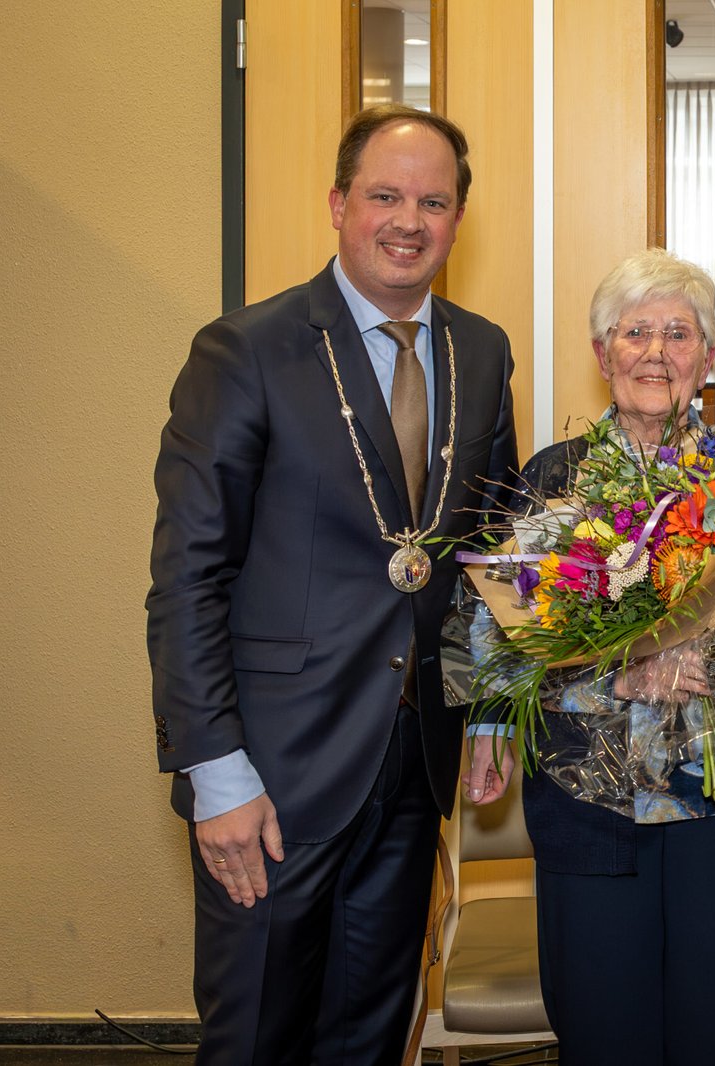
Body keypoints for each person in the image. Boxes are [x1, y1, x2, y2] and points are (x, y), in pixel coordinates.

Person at [146, 104, 519, 1065]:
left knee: (368, 1034)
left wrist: (486, 711)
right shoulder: (245, 350)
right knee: (259, 1035)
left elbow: (489, 550)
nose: (409, 220)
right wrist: (216, 774)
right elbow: (188, 576)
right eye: (385, 195)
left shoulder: (480, 351)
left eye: (433, 201)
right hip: (273, 776)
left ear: (458, 219)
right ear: (338, 204)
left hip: (411, 763)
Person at [464, 248, 715, 1066]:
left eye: (679, 334)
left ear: (709, 356)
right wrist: (613, 674)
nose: (657, 352)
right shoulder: (552, 480)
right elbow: (497, 631)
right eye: (636, 332)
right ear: (601, 353)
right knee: (603, 1034)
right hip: (591, 805)